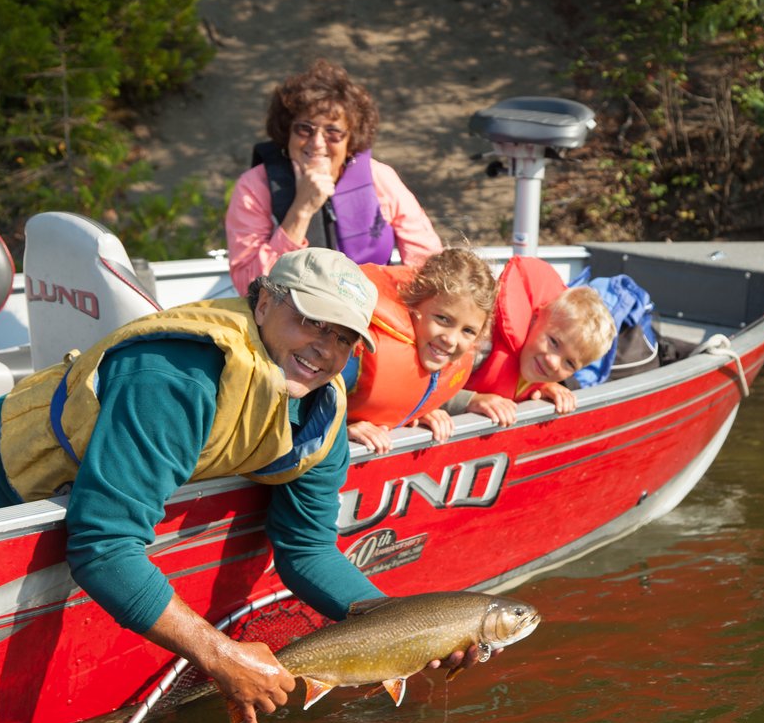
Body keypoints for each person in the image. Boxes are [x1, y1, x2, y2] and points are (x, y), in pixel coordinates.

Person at [0, 247, 481, 723]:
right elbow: (103, 547)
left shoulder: (324, 406)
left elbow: (307, 549)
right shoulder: (176, 376)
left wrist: (407, 628)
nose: (325, 349)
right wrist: (219, 654)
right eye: (312, 321)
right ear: (263, 303)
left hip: (90, 501)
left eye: (344, 338)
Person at [226, 59, 442, 295]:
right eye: (304, 128)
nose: (316, 143)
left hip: (370, 314)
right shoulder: (254, 187)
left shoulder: (381, 178)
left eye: (333, 132)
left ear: (351, 142)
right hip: (292, 319)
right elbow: (248, 286)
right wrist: (302, 209)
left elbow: (429, 266)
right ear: (287, 130)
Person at [345, 248, 496, 455]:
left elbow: (423, 388)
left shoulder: (446, 358)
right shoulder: (359, 354)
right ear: (415, 304)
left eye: (468, 331)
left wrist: (432, 408)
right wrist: (341, 431)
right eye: (443, 319)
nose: (451, 340)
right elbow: (293, 400)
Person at [455, 256, 616, 427]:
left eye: (569, 363)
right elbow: (427, 387)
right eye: (554, 342)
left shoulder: (540, 366)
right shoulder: (482, 347)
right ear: (534, 319)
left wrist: (545, 386)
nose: (553, 363)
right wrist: (470, 401)